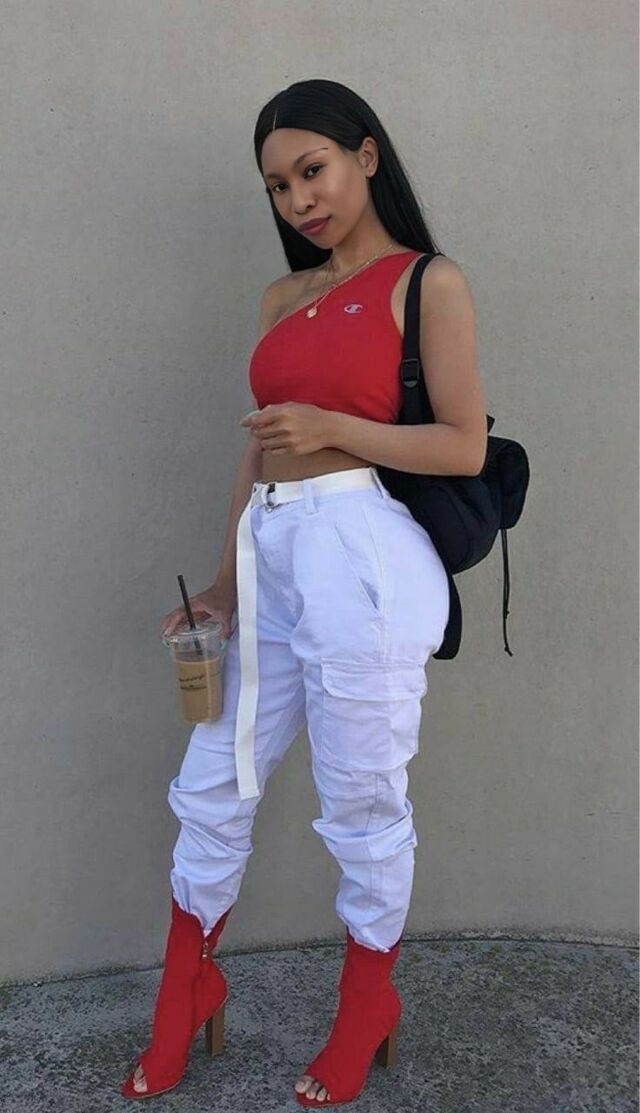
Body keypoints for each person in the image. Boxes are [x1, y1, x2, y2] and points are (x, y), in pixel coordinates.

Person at [120, 77, 487, 1105]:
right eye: (278, 186)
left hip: (360, 555)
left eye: (312, 171)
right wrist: (226, 587)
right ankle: (186, 987)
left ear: (366, 155)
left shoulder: (429, 282)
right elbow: (258, 451)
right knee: (214, 777)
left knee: (362, 792)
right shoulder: (281, 297)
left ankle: (369, 1000)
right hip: (272, 550)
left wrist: (333, 429)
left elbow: (464, 444)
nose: (299, 200)